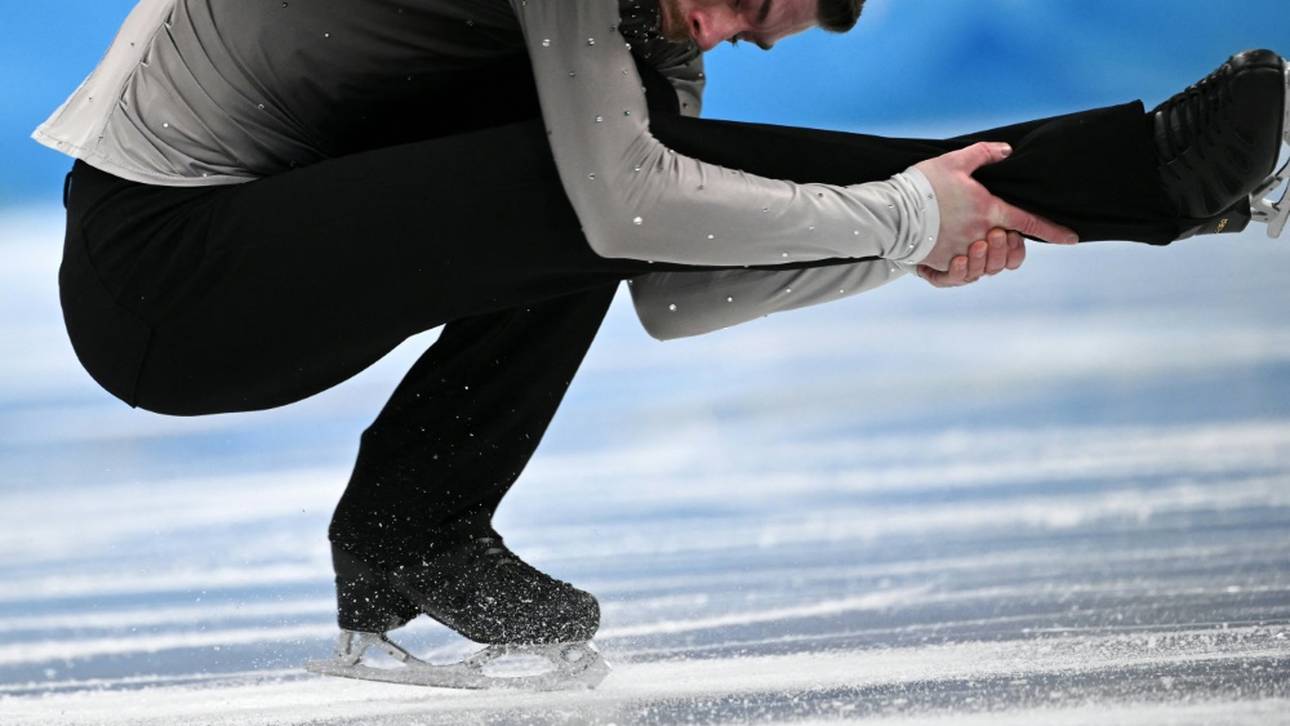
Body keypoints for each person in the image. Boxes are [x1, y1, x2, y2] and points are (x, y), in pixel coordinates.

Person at [35, 0, 1287, 682]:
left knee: (616, 177)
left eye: (756, 35)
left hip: (256, 262)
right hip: (169, 275)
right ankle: (1145, 183)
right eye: (748, 2)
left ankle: (412, 529)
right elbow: (636, 208)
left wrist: (906, 240)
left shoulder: (632, 38)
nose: (728, 36)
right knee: (603, 178)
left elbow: (676, 273)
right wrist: (910, 212)